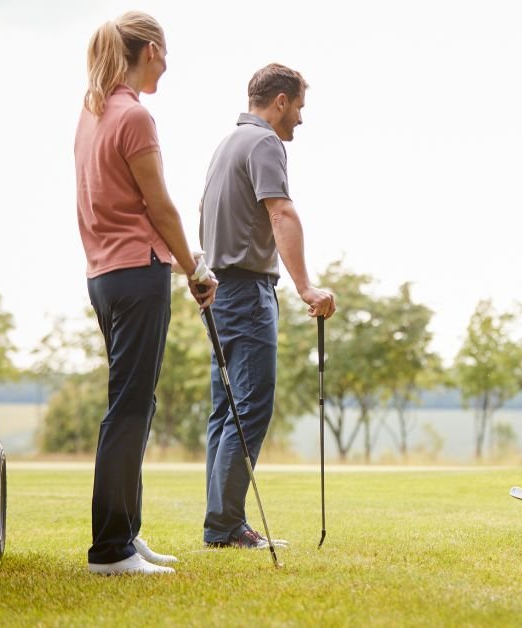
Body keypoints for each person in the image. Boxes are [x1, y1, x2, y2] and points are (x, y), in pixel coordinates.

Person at [74, 11, 216, 576]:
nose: (169, 63)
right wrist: (194, 267)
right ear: (151, 50)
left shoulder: (92, 113)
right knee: (129, 408)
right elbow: (159, 205)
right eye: (167, 52)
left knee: (134, 403)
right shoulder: (134, 115)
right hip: (138, 272)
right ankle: (110, 549)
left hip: (106, 276)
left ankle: (127, 536)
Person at [200, 63, 336, 549]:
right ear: (280, 100)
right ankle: (227, 527)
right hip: (246, 293)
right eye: (299, 106)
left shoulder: (228, 144)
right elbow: (281, 212)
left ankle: (219, 525)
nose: (300, 117)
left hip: (219, 292)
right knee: (249, 408)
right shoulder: (263, 143)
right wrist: (306, 287)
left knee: (226, 411)